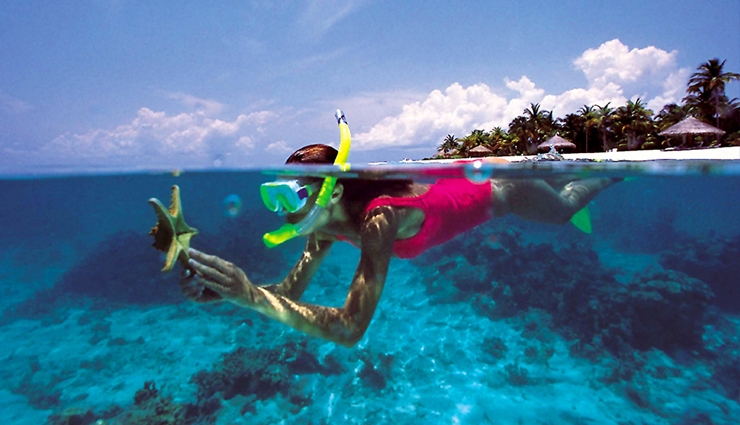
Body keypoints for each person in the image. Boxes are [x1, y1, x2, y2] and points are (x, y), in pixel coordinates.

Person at [182, 144, 618, 347]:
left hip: (504, 191)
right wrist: (225, 293)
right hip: (469, 188)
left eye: (290, 197)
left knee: (563, 209)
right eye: (273, 197)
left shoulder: (380, 218)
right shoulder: (324, 226)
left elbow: (350, 329)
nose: (282, 212)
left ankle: (606, 174)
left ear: (333, 191)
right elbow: (289, 291)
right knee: (560, 203)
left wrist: (251, 296)